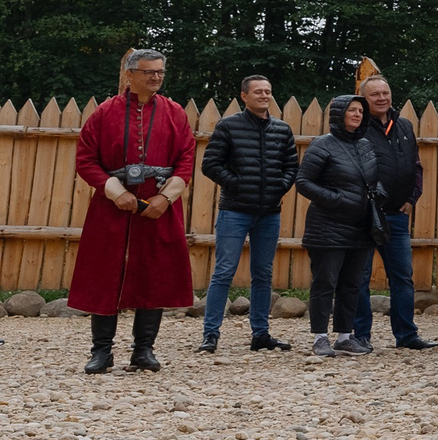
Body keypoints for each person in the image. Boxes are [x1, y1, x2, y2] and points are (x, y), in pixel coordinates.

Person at [69, 49, 196, 373]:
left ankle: (144, 350)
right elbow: (86, 159)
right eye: (149, 72)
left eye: (160, 72)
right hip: (111, 209)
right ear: (130, 74)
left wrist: (165, 199)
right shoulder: (104, 113)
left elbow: (186, 160)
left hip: (158, 207)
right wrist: (115, 192)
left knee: (153, 274)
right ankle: (102, 352)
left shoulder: (175, 113)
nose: (155, 77)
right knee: (104, 274)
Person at [197, 74, 298, 352]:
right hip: (235, 210)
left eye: (268, 91)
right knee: (224, 272)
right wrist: (237, 184)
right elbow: (211, 164)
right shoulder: (228, 126)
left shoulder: (282, 129)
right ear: (244, 96)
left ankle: (260, 334)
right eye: (258, 92)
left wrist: (280, 187)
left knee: (263, 274)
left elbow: (292, 165)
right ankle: (210, 334)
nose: (264, 96)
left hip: (269, 213)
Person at [355, 72, 436, 351]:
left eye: (385, 93)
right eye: (375, 94)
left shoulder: (403, 126)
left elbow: (415, 166)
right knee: (360, 276)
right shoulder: (358, 127)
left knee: (402, 277)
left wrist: (413, 198)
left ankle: (406, 335)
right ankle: (360, 335)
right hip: (364, 214)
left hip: (398, 215)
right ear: (364, 100)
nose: (382, 98)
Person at [296, 94, 379, 361]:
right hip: (327, 225)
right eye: (352, 110)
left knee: (351, 284)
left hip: (360, 226)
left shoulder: (365, 145)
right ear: (339, 114)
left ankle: (345, 336)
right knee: (325, 282)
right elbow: (303, 182)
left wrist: (380, 193)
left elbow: (372, 180)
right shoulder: (323, 144)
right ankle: (320, 337)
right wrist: (336, 200)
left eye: (360, 111)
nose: (357, 115)